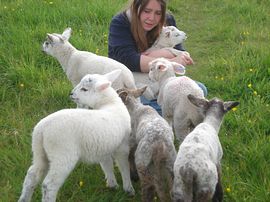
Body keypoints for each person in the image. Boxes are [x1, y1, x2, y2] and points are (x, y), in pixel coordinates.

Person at [108, 0, 207, 113]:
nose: (152, 18)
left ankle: (167, 110)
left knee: (200, 89)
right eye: (147, 11)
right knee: (155, 105)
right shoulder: (121, 22)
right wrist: (171, 61)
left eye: (158, 13)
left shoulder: (167, 20)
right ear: (137, 6)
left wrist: (159, 54)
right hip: (131, 84)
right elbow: (130, 60)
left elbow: (180, 53)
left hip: (159, 79)